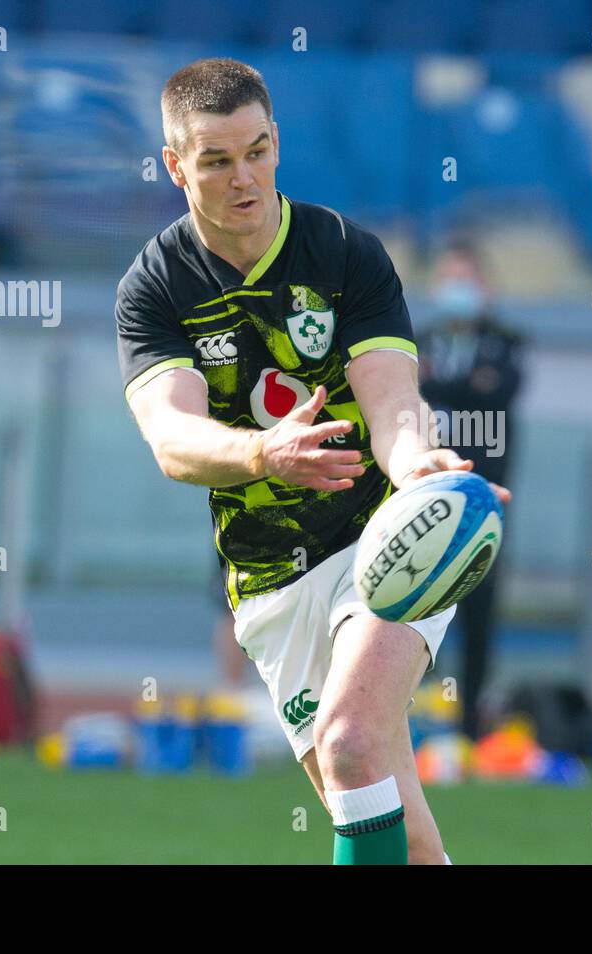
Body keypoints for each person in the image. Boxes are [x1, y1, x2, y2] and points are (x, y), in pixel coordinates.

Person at [115, 59, 510, 865]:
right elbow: (172, 439)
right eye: (218, 160)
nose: (244, 178)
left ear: (277, 144)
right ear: (175, 165)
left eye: (257, 152)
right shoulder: (154, 287)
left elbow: (392, 398)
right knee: (407, 837)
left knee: (350, 741)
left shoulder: (343, 253)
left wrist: (417, 467)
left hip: (383, 544)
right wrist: (264, 451)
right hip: (268, 581)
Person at [417, 242, 524, 740]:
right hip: (425, 497)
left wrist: (444, 385)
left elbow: (498, 390)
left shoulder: (506, 341)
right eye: (449, 278)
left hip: (484, 498)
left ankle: (469, 729)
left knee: (479, 610)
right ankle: (416, 720)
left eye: (468, 280)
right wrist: (461, 386)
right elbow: (413, 393)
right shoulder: (419, 340)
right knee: (416, 601)